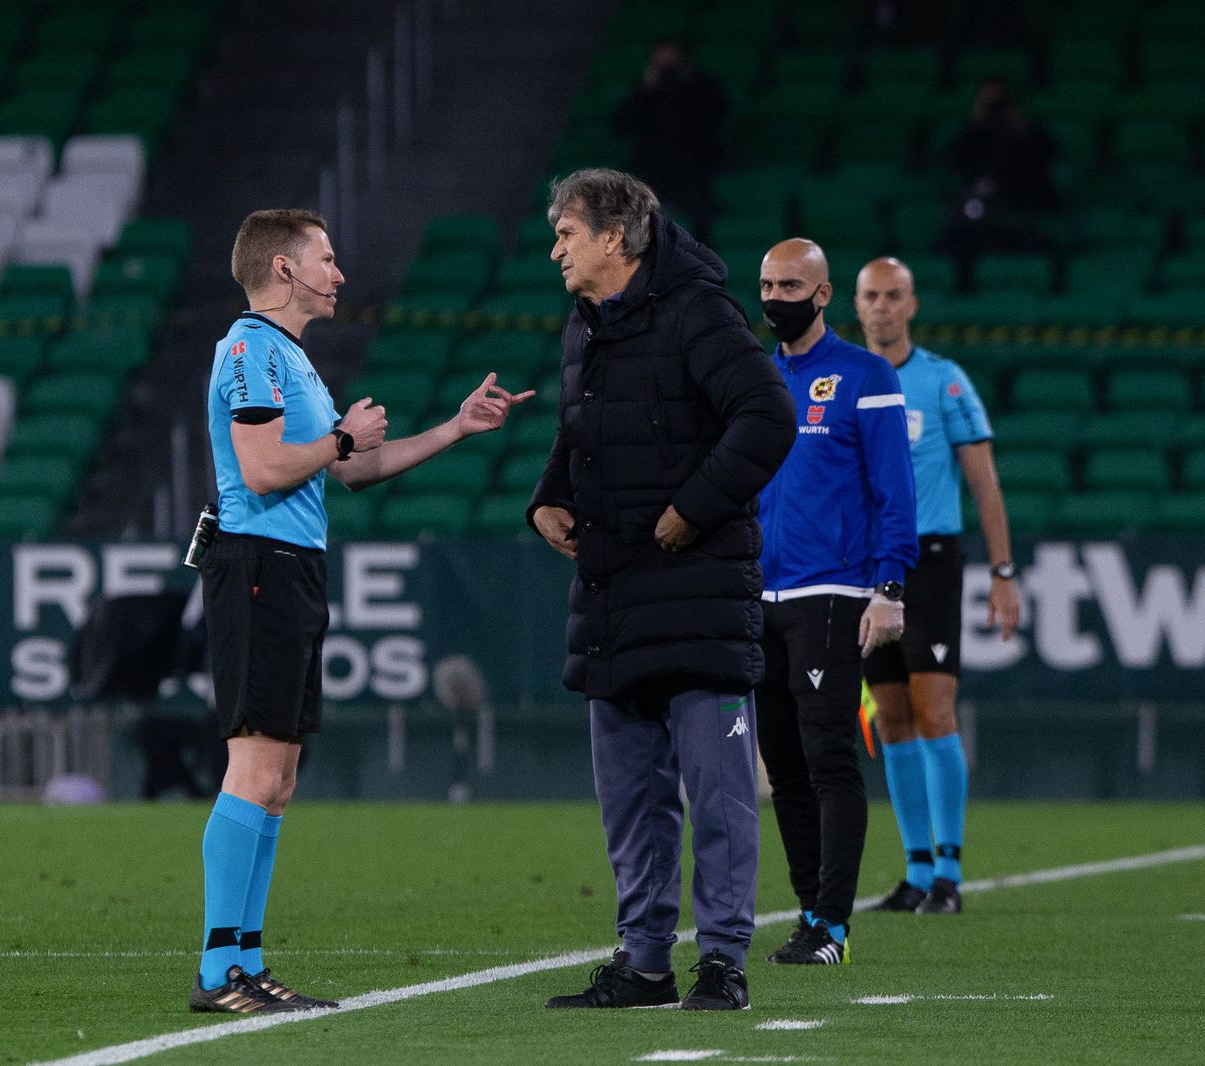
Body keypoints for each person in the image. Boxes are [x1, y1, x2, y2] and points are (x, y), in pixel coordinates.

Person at [191, 208, 533, 1014]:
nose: (340, 273)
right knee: (255, 769)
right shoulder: (248, 349)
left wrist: (455, 427)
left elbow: (350, 472)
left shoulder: (293, 359)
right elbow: (267, 467)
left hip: (292, 568)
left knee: (278, 778)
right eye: (327, 258)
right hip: (256, 567)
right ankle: (218, 970)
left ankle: (246, 961)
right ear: (284, 270)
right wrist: (341, 441)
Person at [529, 169, 795, 1012]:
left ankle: (722, 963)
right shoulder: (586, 328)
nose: (555, 249)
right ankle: (645, 963)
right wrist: (547, 498)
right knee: (633, 807)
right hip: (612, 598)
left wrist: (692, 507)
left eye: (566, 233)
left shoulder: (697, 312)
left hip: (697, 593)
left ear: (616, 237)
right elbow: (579, 433)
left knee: (717, 801)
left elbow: (768, 416)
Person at [753, 239, 918, 965]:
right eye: (764, 284)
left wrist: (888, 590)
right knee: (782, 763)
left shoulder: (865, 375)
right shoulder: (755, 379)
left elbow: (894, 492)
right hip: (759, 594)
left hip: (833, 591)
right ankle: (809, 912)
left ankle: (833, 924)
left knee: (828, 758)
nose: (774, 297)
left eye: (789, 284)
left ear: (822, 296)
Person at [854, 256, 1021, 915]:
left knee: (934, 709)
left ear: (912, 305)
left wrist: (1003, 572)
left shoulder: (943, 382)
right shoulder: (846, 383)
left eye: (894, 296)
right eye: (872, 297)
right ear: (856, 304)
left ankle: (949, 873)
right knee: (890, 716)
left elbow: (983, 480)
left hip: (930, 559)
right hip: (868, 565)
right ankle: (917, 870)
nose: (883, 308)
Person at [940, 78, 1061, 285]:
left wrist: (1020, 124)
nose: (997, 110)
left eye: (1001, 103)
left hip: (1024, 210)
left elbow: (1050, 157)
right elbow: (952, 160)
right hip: (979, 215)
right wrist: (977, 120)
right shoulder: (973, 134)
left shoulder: (1031, 133)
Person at [612, 40, 728, 234]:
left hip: (696, 166)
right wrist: (646, 88)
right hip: (654, 168)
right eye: (661, 64)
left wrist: (690, 80)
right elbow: (621, 125)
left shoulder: (701, 86)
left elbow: (718, 111)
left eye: (673, 63)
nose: (667, 70)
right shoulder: (646, 91)